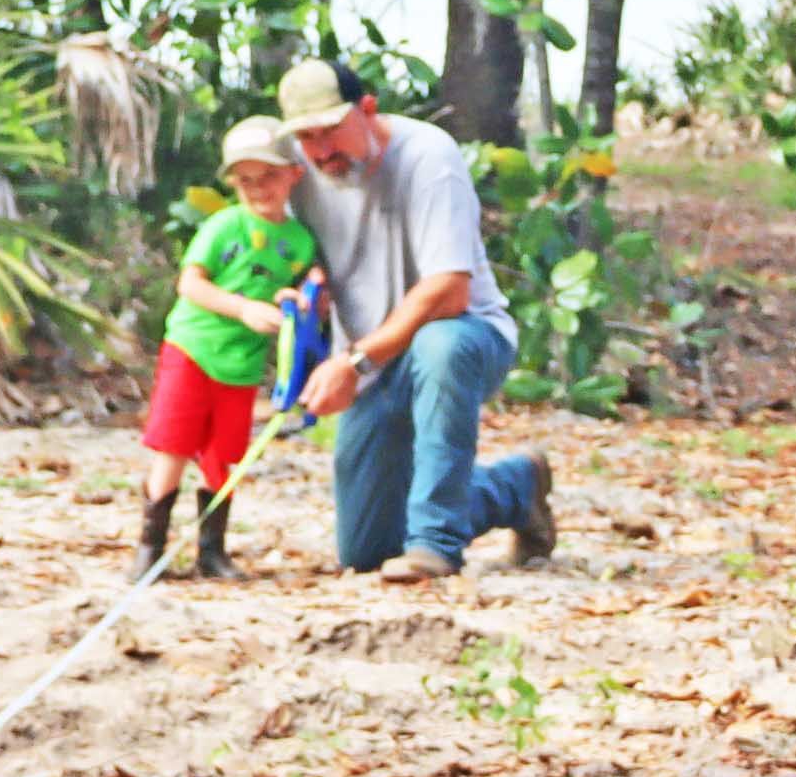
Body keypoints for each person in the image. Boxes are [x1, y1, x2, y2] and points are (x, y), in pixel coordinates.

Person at [276, 57, 558, 583]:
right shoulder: (297, 171)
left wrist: (354, 363)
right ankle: (516, 488)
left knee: (440, 344)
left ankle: (436, 544)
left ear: (367, 110)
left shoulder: (428, 155)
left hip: (465, 338)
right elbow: (283, 248)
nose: (321, 151)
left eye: (331, 131)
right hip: (375, 364)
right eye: (307, 137)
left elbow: (450, 290)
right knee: (367, 551)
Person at [135, 116, 321, 580]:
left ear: (293, 175)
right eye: (246, 180)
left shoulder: (298, 241)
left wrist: (292, 297)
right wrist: (240, 309)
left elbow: (285, 285)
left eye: (269, 177)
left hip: (241, 364)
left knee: (225, 454)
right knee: (173, 446)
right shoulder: (223, 226)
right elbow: (190, 284)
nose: (258, 189)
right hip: (194, 348)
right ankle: (150, 547)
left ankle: (211, 549)